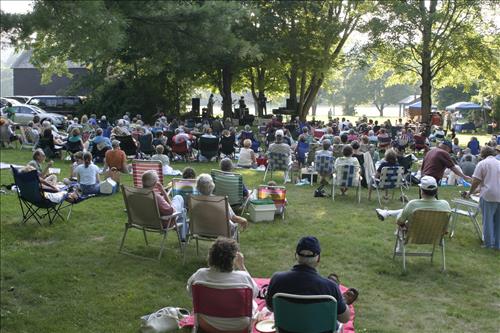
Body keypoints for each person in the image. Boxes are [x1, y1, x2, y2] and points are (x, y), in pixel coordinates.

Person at [265, 236, 350, 328]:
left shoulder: (277, 279)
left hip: (288, 330)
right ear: (318, 259)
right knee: (340, 306)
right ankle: (343, 300)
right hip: (321, 330)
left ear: (296, 256)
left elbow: (270, 307)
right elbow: (344, 319)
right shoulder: (330, 287)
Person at [186, 237, 258, 331]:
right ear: (233, 258)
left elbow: (190, 293)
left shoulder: (200, 275)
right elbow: (255, 293)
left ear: (211, 256)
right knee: (254, 304)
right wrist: (241, 266)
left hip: (206, 325)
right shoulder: (244, 278)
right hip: (239, 327)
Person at [375, 176, 451, 249]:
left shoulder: (413, 204)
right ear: (436, 190)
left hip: (414, 235)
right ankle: (386, 213)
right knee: (406, 212)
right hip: (434, 236)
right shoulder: (445, 205)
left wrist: (401, 219)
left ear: (421, 190)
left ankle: (399, 249)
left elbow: (400, 222)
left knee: (402, 216)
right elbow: (446, 227)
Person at [465, 146, 500, 250]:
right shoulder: (499, 163)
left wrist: (470, 193)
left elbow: (476, 181)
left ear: (482, 154)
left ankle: (488, 244)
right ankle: (497, 244)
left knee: (488, 220)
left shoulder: (482, 164)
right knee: (498, 222)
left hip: (488, 195)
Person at [142, 170, 188, 241]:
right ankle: (184, 237)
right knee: (179, 199)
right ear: (155, 183)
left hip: (144, 221)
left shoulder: (136, 194)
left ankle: (184, 236)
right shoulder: (156, 197)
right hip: (163, 223)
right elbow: (172, 211)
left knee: (182, 211)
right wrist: (163, 192)